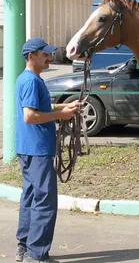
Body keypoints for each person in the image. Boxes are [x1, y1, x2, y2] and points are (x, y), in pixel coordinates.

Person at [14, 38, 80, 263]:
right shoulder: (32, 81)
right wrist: (60, 116)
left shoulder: (27, 79)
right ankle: (37, 254)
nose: (50, 58)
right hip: (38, 149)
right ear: (32, 56)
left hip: (27, 148)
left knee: (30, 197)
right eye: (45, 55)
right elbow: (30, 116)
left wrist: (63, 107)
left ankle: (23, 247)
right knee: (45, 201)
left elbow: (38, 107)